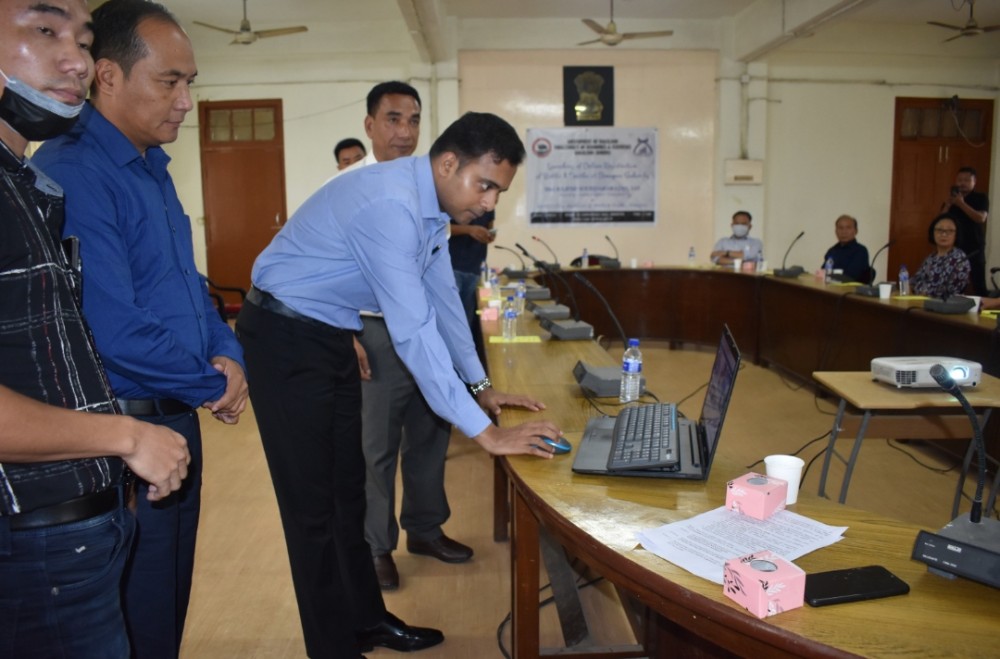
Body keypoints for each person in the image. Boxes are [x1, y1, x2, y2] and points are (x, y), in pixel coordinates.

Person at [236, 111, 563, 658]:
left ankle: (365, 621)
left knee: (349, 494)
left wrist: (480, 385)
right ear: (448, 162)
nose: (489, 203)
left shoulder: (430, 208)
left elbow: (443, 305)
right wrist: (486, 434)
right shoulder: (391, 206)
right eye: (484, 185)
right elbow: (412, 332)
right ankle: (332, 647)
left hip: (331, 333)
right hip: (284, 336)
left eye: (498, 192)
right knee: (311, 508)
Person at [33, 1, 248, 656]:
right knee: (136, 616)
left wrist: (227, 352)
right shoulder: (75, 173)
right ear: (107, 76)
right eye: (170, 81)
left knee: (168, 604)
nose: (186, 100)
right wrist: (206, 380)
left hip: (174, 419)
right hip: (123, 436)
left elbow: (189, 287)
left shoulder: (152, 170)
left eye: (191, 82)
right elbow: (110, 322)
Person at [0, 0, 191, 656]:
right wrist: (125, 434)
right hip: (32, 540)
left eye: (81, 39)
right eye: (43, 31)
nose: (76, 59)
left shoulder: (26, 185)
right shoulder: (68, 173)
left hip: (80, 519)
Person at [348, 81, 481, 594]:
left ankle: (425, 529)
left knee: (431, 433)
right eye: (393, 119)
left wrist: (472, 371)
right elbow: (315, 272)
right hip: (371, 329)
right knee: (375, 445)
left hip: (423, 326)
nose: (405, 132)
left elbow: (441, 281)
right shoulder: (346, 185)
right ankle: (376, 547)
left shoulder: (431, 191)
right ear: (370, 125)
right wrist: (344, 334)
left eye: (413, 121)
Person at [449, 209, 495, 361]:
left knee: (466, 326)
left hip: (475, 269)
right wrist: (469, 230)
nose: (492, 200)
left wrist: (489, 235)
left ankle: (467, 375)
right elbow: (439, 229)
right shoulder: (455, 200)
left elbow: (489, 228)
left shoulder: (489, 208)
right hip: (452, 268)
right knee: (450, 325)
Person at [941, 166, 989, 295]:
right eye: (959, 180)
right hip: (955, 247)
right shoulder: (952, 199)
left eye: (967, 180)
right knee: (953, 283)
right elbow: (940, 220)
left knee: (979, 284)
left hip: (974, 247)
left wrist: (961, 204)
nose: (962, 183)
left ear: (974, 182)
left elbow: (981, 218)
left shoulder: (980, 198)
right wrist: (948, 204)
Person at [912, 215, 971, 298]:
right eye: (939, 230)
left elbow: (948, 289)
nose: (943, 234)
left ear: (956, 234)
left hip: (947, 306)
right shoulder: (931, 257)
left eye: (950, 231)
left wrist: (922, 290)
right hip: (923, 303)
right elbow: (915, 281)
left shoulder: (960, 259)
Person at [822, 214, 870, 283]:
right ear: (836, 231)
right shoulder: (832, 251)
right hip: (829, 290)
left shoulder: (860, 251)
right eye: (840, 228)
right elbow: (823, 272)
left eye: (848, 228)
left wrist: (829, 276)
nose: (844, 232)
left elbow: (850, 276)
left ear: (856, 231)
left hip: (850, 292)